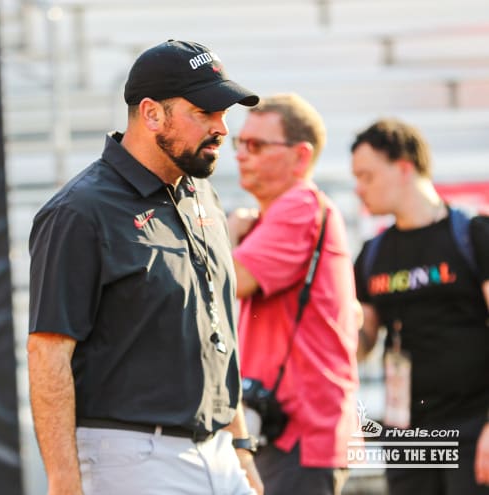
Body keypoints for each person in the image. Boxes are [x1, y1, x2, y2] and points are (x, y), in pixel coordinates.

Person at [27, 39, 264, 495]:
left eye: (224, 114)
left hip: (218, 450)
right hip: (132, 457)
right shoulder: (79, 211)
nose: (221, 129)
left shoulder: (202, 194)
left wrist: (240, 448)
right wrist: (63, 483)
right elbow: (48, 354)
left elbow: (218, 333)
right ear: (152, 114)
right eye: (205, 113)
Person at [227, 93, 359, 495]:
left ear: (301, 157)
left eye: (257, 145)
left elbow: (227, 279)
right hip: (290, 431)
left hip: (299, 434)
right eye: (239, 144)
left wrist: (228, 234)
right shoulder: (284, 212)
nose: (241, 155)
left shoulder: (299, 205)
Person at [351, 118, 489, 494]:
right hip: (408, 437)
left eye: (367, 176)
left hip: (474, 427)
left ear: (404, 167)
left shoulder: (475, 235)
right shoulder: (372, 254)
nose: (359, 189)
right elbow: (362, 342)